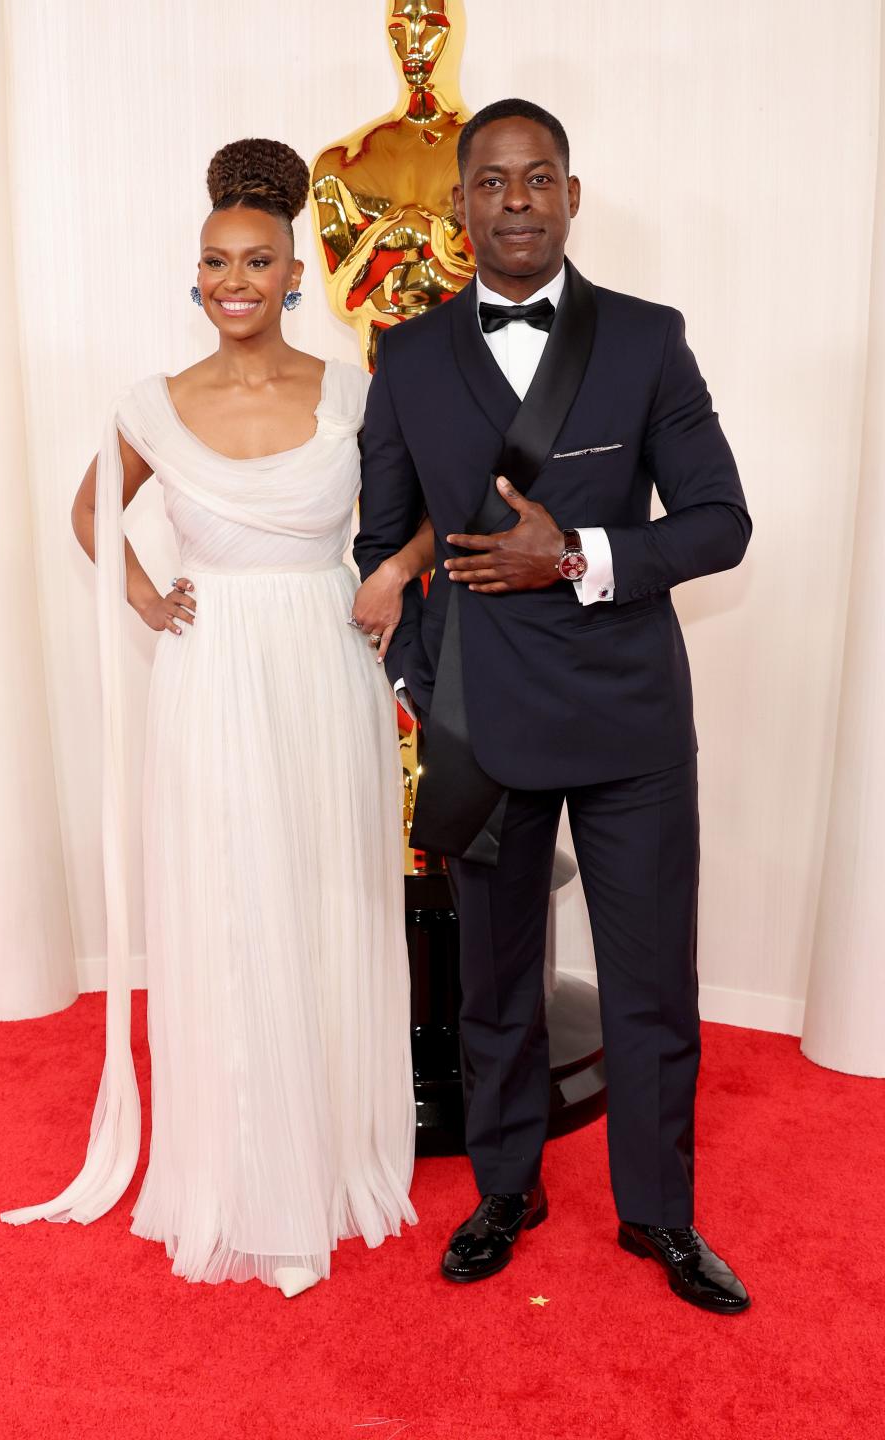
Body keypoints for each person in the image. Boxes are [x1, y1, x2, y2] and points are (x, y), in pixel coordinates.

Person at [354, 98, 754, 1313]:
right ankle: (505, 1188)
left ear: (572, 198)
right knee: (494, 976)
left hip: (630, 715)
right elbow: (383, 546)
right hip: (482, 714)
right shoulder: (408, 354)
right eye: (493, 181)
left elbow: (720, 522)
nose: (517, 200)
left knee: (648, 978)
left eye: (539, 180)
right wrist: (423, 684)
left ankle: (661, 1216)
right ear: (461, 204)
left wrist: (576, 553)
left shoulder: (646, 340)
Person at [1, 138, 418, 1298]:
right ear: (197, 276)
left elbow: (432, 500)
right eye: (215, 263)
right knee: (229, 899)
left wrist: (390, 575)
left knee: (324, 891)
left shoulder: (350, 387)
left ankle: (329, 1158)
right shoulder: (151, 403)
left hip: (327, 665)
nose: (236, 281)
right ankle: (239, 1171)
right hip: (211, 667)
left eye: (260, 262)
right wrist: (144, 591)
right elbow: (93, 509)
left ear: (296, 273)